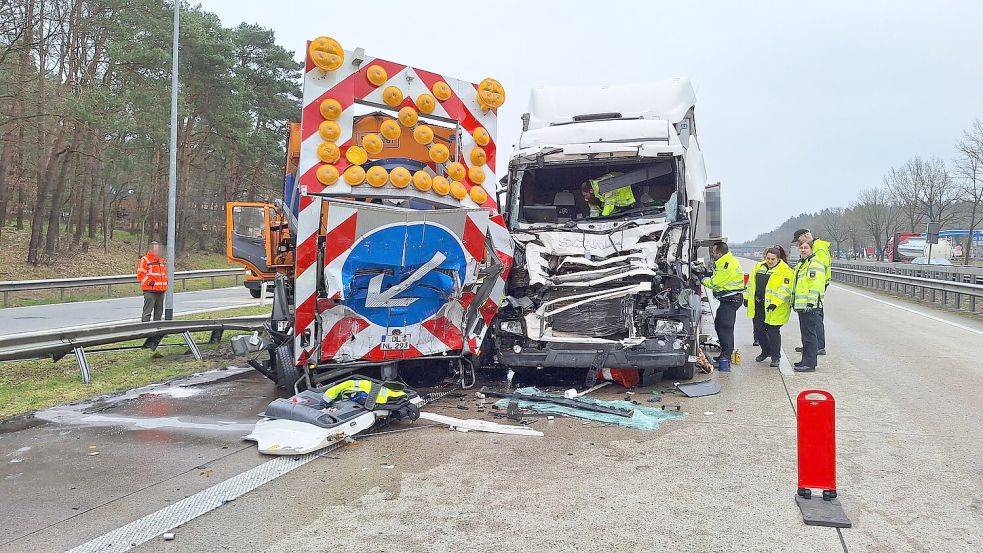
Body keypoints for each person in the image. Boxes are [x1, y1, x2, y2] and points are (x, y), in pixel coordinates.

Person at [743, 246, 794, 368]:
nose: (769, 261)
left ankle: (776, 357)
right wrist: (746, 297)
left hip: (775, 307)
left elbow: (785, 290)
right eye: (768, 258)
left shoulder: (785, 271)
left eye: (772, 259)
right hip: (759, 305)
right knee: (759, 330)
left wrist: (775, 302)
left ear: (778, 259)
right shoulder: (759, 267)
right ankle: (766, 351)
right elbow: (750, 284)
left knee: (773, 332)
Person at [701, 241, 745, 371]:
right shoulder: (725, 261)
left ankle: (726, 357)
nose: (712, 254)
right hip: (728, 299)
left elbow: (715, 283)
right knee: (719, 324)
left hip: (731, 299)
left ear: (719, 253)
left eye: (713, 252)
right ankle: (724, 354)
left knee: (725, 327)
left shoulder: (727, 265)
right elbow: (717, 277)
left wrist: (702, 278)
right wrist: (707, 274)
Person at [792, 228, 830, 355]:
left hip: (817, 283)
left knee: (815, 316)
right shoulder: (815, 246)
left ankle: (818, 346)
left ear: (806, 236)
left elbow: (820, 264)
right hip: (815, 282)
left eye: (799, 240)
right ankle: (809, 345)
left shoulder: (818, 247)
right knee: (808, 320)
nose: (799, 244)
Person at [137, 241, 168, 322]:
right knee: (147, 312)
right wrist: (150, 282)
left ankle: (157, 332)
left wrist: (165, 283)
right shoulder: (145, 259)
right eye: (155, 249)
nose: (157, 250)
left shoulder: (162, 260)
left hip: (161, 290)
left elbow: (164, 274)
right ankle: (145, 330)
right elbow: (140, 275)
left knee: (159, 312)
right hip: (150, 291)